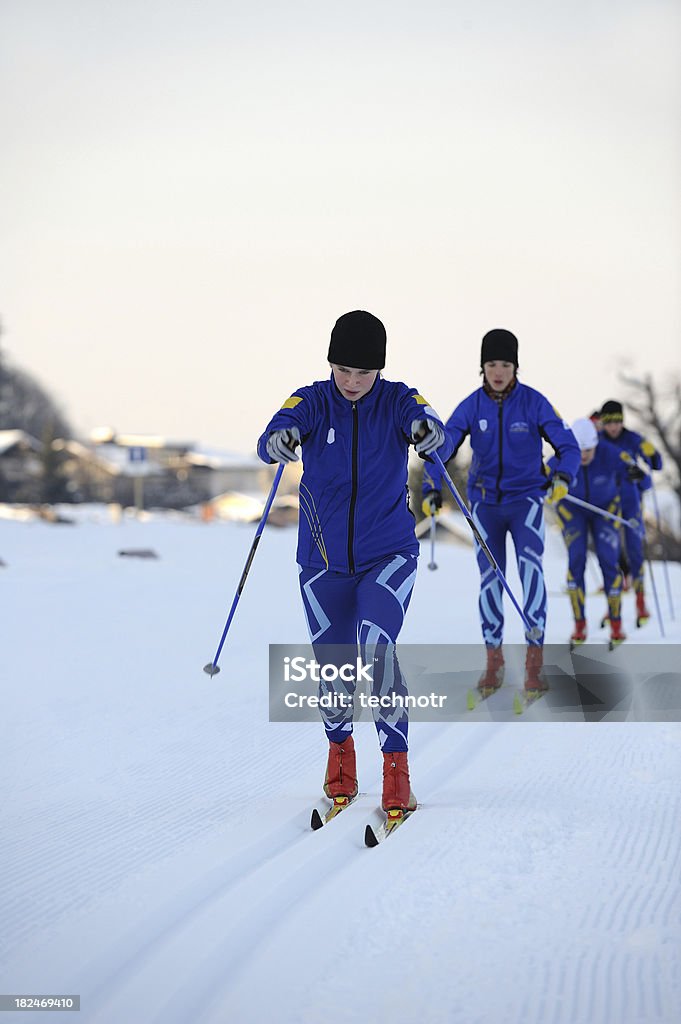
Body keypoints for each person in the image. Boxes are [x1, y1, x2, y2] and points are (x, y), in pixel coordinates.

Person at [257, 310, 453, 817]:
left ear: (379, 372)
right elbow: (276, 430)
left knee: (376, 649)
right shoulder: (313, 399)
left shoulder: (397, 399)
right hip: (321, 564)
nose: (351, 382)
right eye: (343, 370)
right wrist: (278, 441)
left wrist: (430, 434)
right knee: (334, 665)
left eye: (362, 373)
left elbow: (431, 425)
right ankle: (340, 762)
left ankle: (397, 774)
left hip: (387, 554)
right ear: (331, 364)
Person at [422, 328, 580, 689]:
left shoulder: (535, 403)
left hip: (525, 501)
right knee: (491, 579)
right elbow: (440, 449)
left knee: (531, 572)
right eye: (491, 363)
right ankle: (494, 663)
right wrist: (432, 488)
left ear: (516, 367)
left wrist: (562, 478)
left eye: (505, 364)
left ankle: (534, 663)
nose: (498, 371)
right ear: (482, 367)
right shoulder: (471, 405)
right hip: (484, 505)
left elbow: (567, 446)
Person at [547, 417, 637, 646]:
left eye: (588, 450)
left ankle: (616, 625)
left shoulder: (608, 452)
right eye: (580, 450)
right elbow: (540, 475)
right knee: (576, 560)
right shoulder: (563, 453)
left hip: (605, 509)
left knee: (608, 560)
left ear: (596, 444)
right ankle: (579, 625)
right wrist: (543, 484)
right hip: (572, 510)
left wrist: (638, 475)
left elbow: (633, 469)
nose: (584, 455)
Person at [598, 400, 662, 625]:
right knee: (611, 556)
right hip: (606, 503)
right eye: (609, 422)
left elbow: (655, 465)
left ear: (622, 421)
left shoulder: (633, 439)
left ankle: (641, 605)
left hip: (631, 502)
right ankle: (613, 607)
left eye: (617, 421)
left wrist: (649, 461)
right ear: (603, 422)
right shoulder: (598, 442)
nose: (613, 427)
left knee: (635, 552)